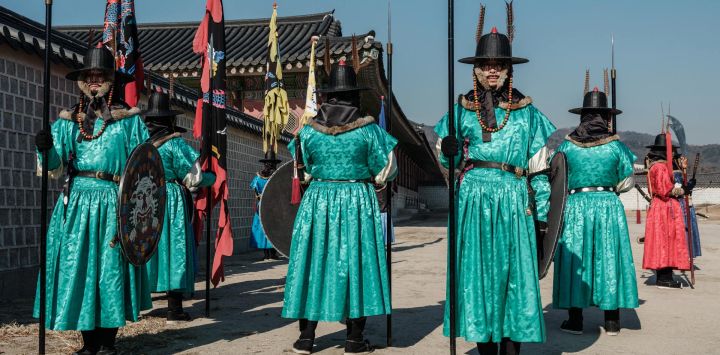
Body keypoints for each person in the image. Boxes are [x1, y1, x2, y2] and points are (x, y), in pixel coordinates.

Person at [435, 22, 556, 354]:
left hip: (514, 196)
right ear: (476, 68)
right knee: (478, 277)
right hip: (472, 198)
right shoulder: (459, 111)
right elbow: (450, 162)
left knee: (513, 278)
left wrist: (544, 217)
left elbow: (540, 168)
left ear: (508, 69)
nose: (492, 70)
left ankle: (511, 348)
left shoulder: (527, 113)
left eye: (499, 65)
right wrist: (448, 151)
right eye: (486, 65)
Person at [33, 46, 152, 355]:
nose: (96, 80)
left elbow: (144, 168)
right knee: (81, 268)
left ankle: (108, 342)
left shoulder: (128, 121)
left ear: (111, 80)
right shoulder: (68, 122)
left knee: (109, 270)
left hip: (114, 200)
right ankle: (88, 344)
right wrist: (45, 148)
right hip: (76, 202)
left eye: (101, 75)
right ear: (83, 81)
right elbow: (54, 166)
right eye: (90, 75)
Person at [282, 60, 397, 355]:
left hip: (318, 200)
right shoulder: (370, 131)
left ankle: (306, 338)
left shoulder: (307, 132)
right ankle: (354, 339)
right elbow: (387, 170)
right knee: (356, 263)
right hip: (356, 198)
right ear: (354, 97)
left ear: (328, 97)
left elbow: (301, 171)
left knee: (313, 262)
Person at [552, 85, 639, 336]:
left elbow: (555, 176)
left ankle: (575, 320)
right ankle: (612, 321)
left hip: (577, 205)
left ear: (582, 116)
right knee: (609, 258)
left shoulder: (566, 147)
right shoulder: (617, 147)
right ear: (606, 117)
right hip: (607, 206)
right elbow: (627, 182)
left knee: (576, 258)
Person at [142, 91, 216, 323]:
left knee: (147, 248)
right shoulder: (174, 144)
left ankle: (139, 304)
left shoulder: (141, 144)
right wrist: (212, 178)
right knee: (174, 250)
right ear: (170, 119)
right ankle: (174, 309)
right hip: (170, 199)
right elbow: (193, 178)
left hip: (145, 199)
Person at [642, 134, 693, 289]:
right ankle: (664, 277)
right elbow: (666, 190)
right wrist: (684, 189)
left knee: (664, 240)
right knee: (666, 240)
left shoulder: (657, 166)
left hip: (661, 207)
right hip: (664, 207)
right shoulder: (660, 167)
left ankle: (665, 275)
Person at [250, 160, 280, 260]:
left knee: (263, 227)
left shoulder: (257, 178)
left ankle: (267, 253)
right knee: (273, 227)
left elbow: (254, 190)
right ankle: (272, 253)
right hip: (272, 205)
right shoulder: (275, 178)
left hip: (261, 204)